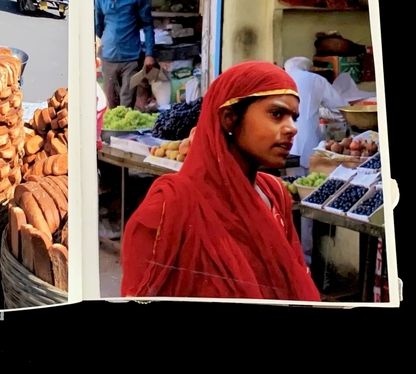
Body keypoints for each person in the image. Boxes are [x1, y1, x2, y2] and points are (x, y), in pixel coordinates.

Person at [120, 61, 322, 301]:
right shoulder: (170, 206)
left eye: (294, 118)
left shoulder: (274, 194)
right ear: (229, 118)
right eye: (276, 114)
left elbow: (292, 281)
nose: (291, 128)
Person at [94, 0, 155, 110]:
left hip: (131, 58)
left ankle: (123, 133)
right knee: (110, 101)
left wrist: (149, 54)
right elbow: (97, 26)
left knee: (127, 101)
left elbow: (148, 26)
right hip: (108, 58)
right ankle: (112, 132)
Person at [284, 57, 349, 173]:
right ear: (309, 69)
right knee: (307, 183)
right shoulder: (315, 79)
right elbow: (342, 110)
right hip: (307, 142)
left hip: (280, 141)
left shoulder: (279, 79)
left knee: (287, 182)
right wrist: (321, 113)